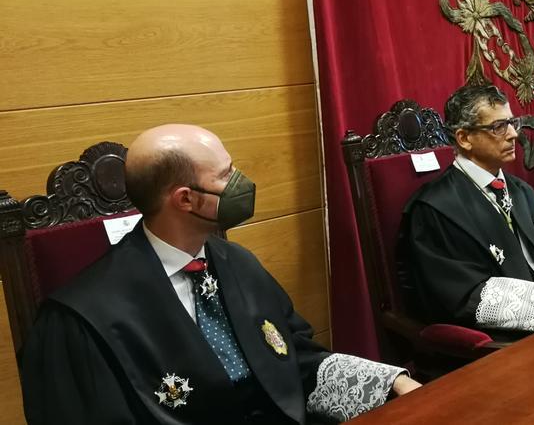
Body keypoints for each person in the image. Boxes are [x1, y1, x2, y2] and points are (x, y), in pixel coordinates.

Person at [19, 124, 420, 424]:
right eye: (227, 176)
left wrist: (389, 384)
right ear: (186, 199)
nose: (241, 184)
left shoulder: (236, 263)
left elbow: (293, 359)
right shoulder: (78, 320)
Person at [400, 84, 534, 339]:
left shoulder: (521, 190)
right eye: (498, 127)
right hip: (498, 342)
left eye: (512, 123)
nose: (513, 134)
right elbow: (465, 296)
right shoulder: (434, 210)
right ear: (464, 138)